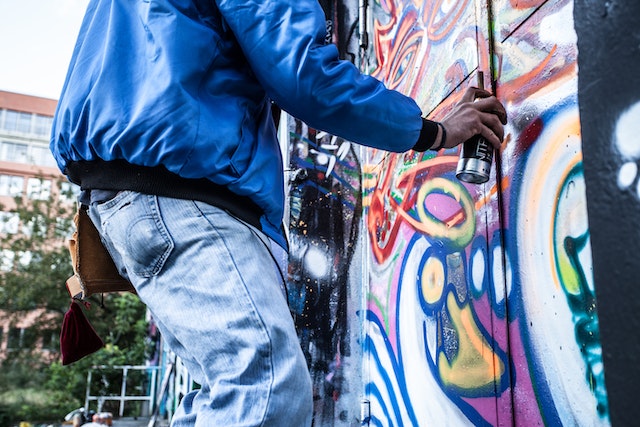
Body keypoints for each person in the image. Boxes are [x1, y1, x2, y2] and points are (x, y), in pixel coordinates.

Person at [50, 0, 507, 425]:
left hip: (127, 200)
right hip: (186, 193)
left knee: (224, 392)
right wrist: (434, 132)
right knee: (266, 388)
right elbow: (305, 74)